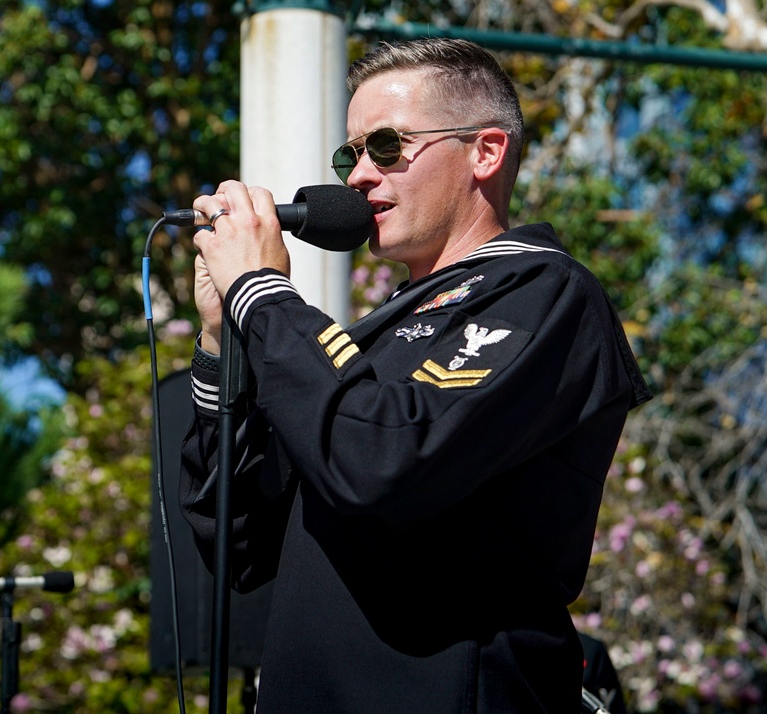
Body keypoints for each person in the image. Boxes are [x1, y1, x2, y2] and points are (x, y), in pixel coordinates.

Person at [179, 37, 651, 713]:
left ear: (485, 152)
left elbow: (384, 461)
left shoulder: (544, 291)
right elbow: (237, 540)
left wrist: (262, 291)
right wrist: (221, 343)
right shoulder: (371, 337)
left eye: (387, 147)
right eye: (350, 155)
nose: (358, 177)